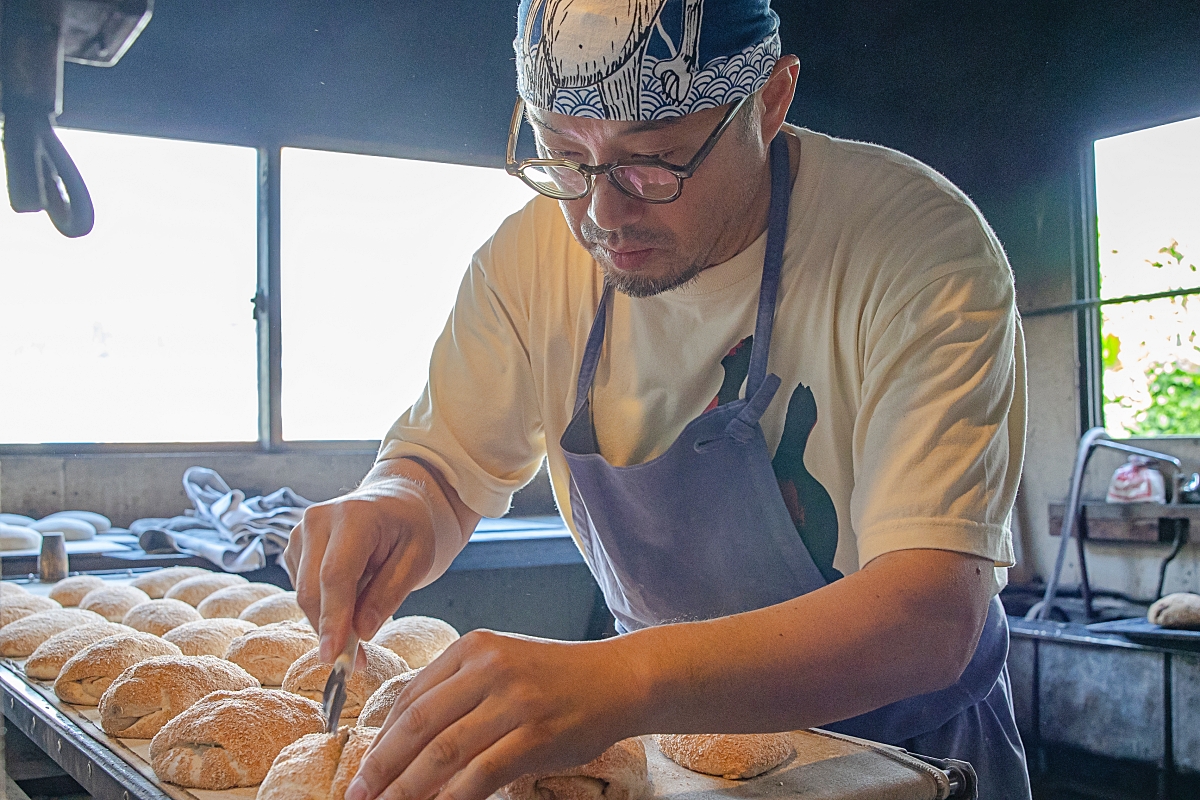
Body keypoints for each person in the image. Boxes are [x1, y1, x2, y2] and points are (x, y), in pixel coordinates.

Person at [286, 1, 1030, 798]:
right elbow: (444, 466)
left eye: (655, 162)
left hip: (907, 755)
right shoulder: (528, 260)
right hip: (666, 754)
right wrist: (396, 498)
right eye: (563, 155)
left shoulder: (917, 249)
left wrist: (622, 681)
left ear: (770, 101)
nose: (603, 214)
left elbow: (930, 616)